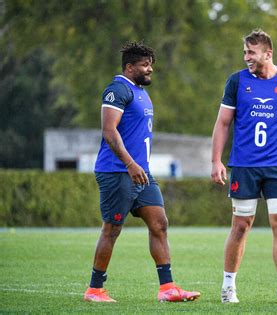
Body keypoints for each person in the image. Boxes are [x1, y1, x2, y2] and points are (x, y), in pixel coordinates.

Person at [83, 41, 200, 303]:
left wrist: (138, 167)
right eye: (145, 65)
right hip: (117, 171)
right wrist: (129, 163)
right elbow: (109, 131)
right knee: (112, 229)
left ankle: (167, 288)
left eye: (151, 65)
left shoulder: (140, 92)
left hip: (141, 173)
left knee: (159, 224)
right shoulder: (117, 89)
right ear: (129, 66)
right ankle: (94, 290)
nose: (150, 70)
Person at [211, 29, 277, 305]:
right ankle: (228, 287)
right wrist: (216, 160)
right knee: (241, 225)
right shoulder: (236, 81)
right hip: (244, 166)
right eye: (245, 52)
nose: (246, 58)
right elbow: (223, 123)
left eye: (251, 53)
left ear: (268, 53)